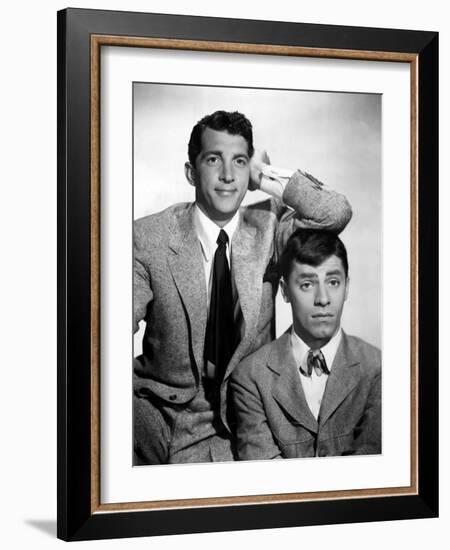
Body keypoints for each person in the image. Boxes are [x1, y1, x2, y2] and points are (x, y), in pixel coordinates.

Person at [133, 110, 352, 465]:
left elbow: (335, 212)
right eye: (213, 159)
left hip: (232, 427)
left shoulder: (270, 227)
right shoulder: (147, 237)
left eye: (238, 161)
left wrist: (264, 175)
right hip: (150, 417)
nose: (227, 175)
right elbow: (104, 336)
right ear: (191, 172)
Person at [231, 228, 381, 460]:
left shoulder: (377, 368)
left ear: (347, 286)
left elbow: (375, 474)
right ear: (284, 291)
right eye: (307, 285)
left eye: (333, 282)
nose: (323, 299)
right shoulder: (250, 377)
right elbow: (263, 482)